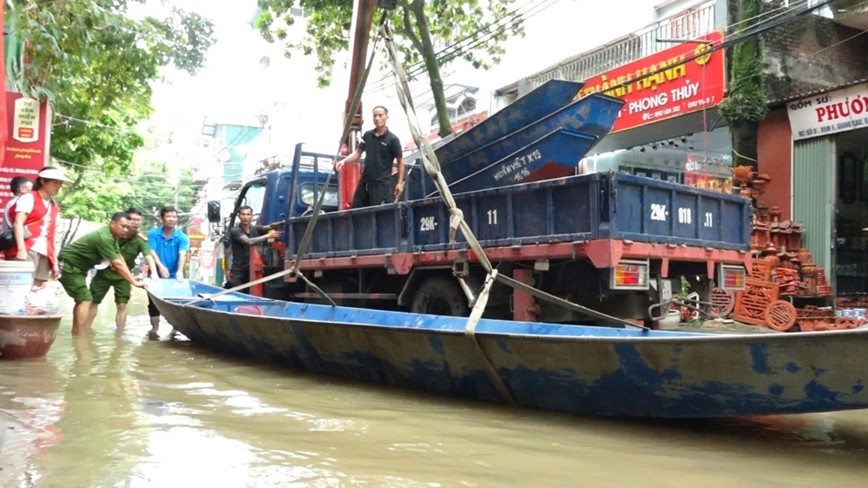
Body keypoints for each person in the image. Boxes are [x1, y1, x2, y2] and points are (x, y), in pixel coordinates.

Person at [57, 212, 145, 334]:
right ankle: (79, 336)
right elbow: (117, 264)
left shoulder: (112, 237)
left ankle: (78, 333)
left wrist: (132, 278)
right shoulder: (104, 238)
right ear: (112, 223)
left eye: (127, 228)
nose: (125, 230)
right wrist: (134, 281)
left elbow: (119, 258)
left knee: (84, 299)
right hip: (69, 266)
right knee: (85, 299)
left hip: (78, 269)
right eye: (122, 226)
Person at [87, 208, 159, 331]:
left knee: (121, 305)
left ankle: (119, 335)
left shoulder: (140, 241)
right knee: (93, 301)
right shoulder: (112, 235)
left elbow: (148, 256)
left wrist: (155, 274)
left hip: (124, 276)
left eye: (138, 220)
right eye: (131, 219)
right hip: (104, 273)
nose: (135, 222)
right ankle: (85, 329)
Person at [8, 167, 72, 287]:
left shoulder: (53, 205)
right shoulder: (29, 197)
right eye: (55, 182)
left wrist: (55, 262)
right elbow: (18, 223)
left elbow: (52, 233)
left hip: (44, 250)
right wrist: (21, 249)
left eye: (60, 183)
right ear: (43, 181)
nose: (58, 186)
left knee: (37, 287)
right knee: (20, 287)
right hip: (28, 247)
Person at [334, 105, 405, 207]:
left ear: (386, 117)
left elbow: (400, 161)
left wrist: (399, 183)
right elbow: (358, 153)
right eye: (375, 116)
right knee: (355, 212)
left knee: (379, 215)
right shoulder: (368, 135)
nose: (377, 118)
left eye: (380, 115)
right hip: (365, 182)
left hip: (381, 185)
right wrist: (343, 161)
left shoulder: (393, 139)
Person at [146, 206, 189, 338]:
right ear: (162, 218)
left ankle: (175, 330)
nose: (172, 219)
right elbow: (151, 251)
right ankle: (155, 329)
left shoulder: (182, 237)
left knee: (177, 302)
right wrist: (160, 267)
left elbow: (183, 254)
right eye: (168, 216)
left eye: (174, 217)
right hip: (155, 273)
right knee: (153, 303)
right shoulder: (153, 234)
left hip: (175, 274)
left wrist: (180, 271)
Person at [224, 205, 282, 290]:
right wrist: (268, 235)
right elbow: (249, 241)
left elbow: (269, 226)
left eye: (248, 214)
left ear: (252, 216)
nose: (246, 217)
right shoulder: (235, 230)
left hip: (252, 269)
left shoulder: (254, 228)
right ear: (239, 216)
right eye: (243, 214)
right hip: (239, 271)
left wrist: (282, 223)